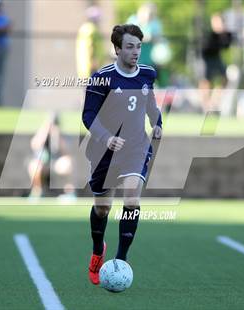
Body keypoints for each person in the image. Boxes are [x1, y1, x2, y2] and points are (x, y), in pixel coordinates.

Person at [82, 24, 162, 285]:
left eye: (139, 46)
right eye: (129, 46)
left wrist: (157, 122)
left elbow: (150, 103)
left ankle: (120, 260)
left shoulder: (148, 74)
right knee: (102, 208)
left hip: (136, 147)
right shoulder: (101, 78)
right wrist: (107, 137)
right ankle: (98, 251)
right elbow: (88, 115)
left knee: (131, 197)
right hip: (104, 151)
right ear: (116, 49)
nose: (135, 51)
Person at [28, 115, 75, 199]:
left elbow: (66, 152)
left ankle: (69, 193)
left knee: (68, 163)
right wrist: (45, 131)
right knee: (35, 166)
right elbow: (35, 145)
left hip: (56, 163)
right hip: (43, 164)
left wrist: (57, 135)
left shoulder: (62, 134)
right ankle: (37, 192)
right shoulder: (42, 133)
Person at [198, 13, 232, 112]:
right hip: (205, 58)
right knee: (205, 81)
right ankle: (205, 106)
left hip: (216, 58)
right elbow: (205, 47)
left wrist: (223, 35)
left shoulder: (224, 34)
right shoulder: (209, 34)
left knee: (224, 79)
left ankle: (213, 102)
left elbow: (226, 46)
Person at [76, 5, 106, 79]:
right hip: (91, 66)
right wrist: (92, 60)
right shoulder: (91, 30)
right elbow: (88, 47)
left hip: (87, 66)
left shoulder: (86, 28)